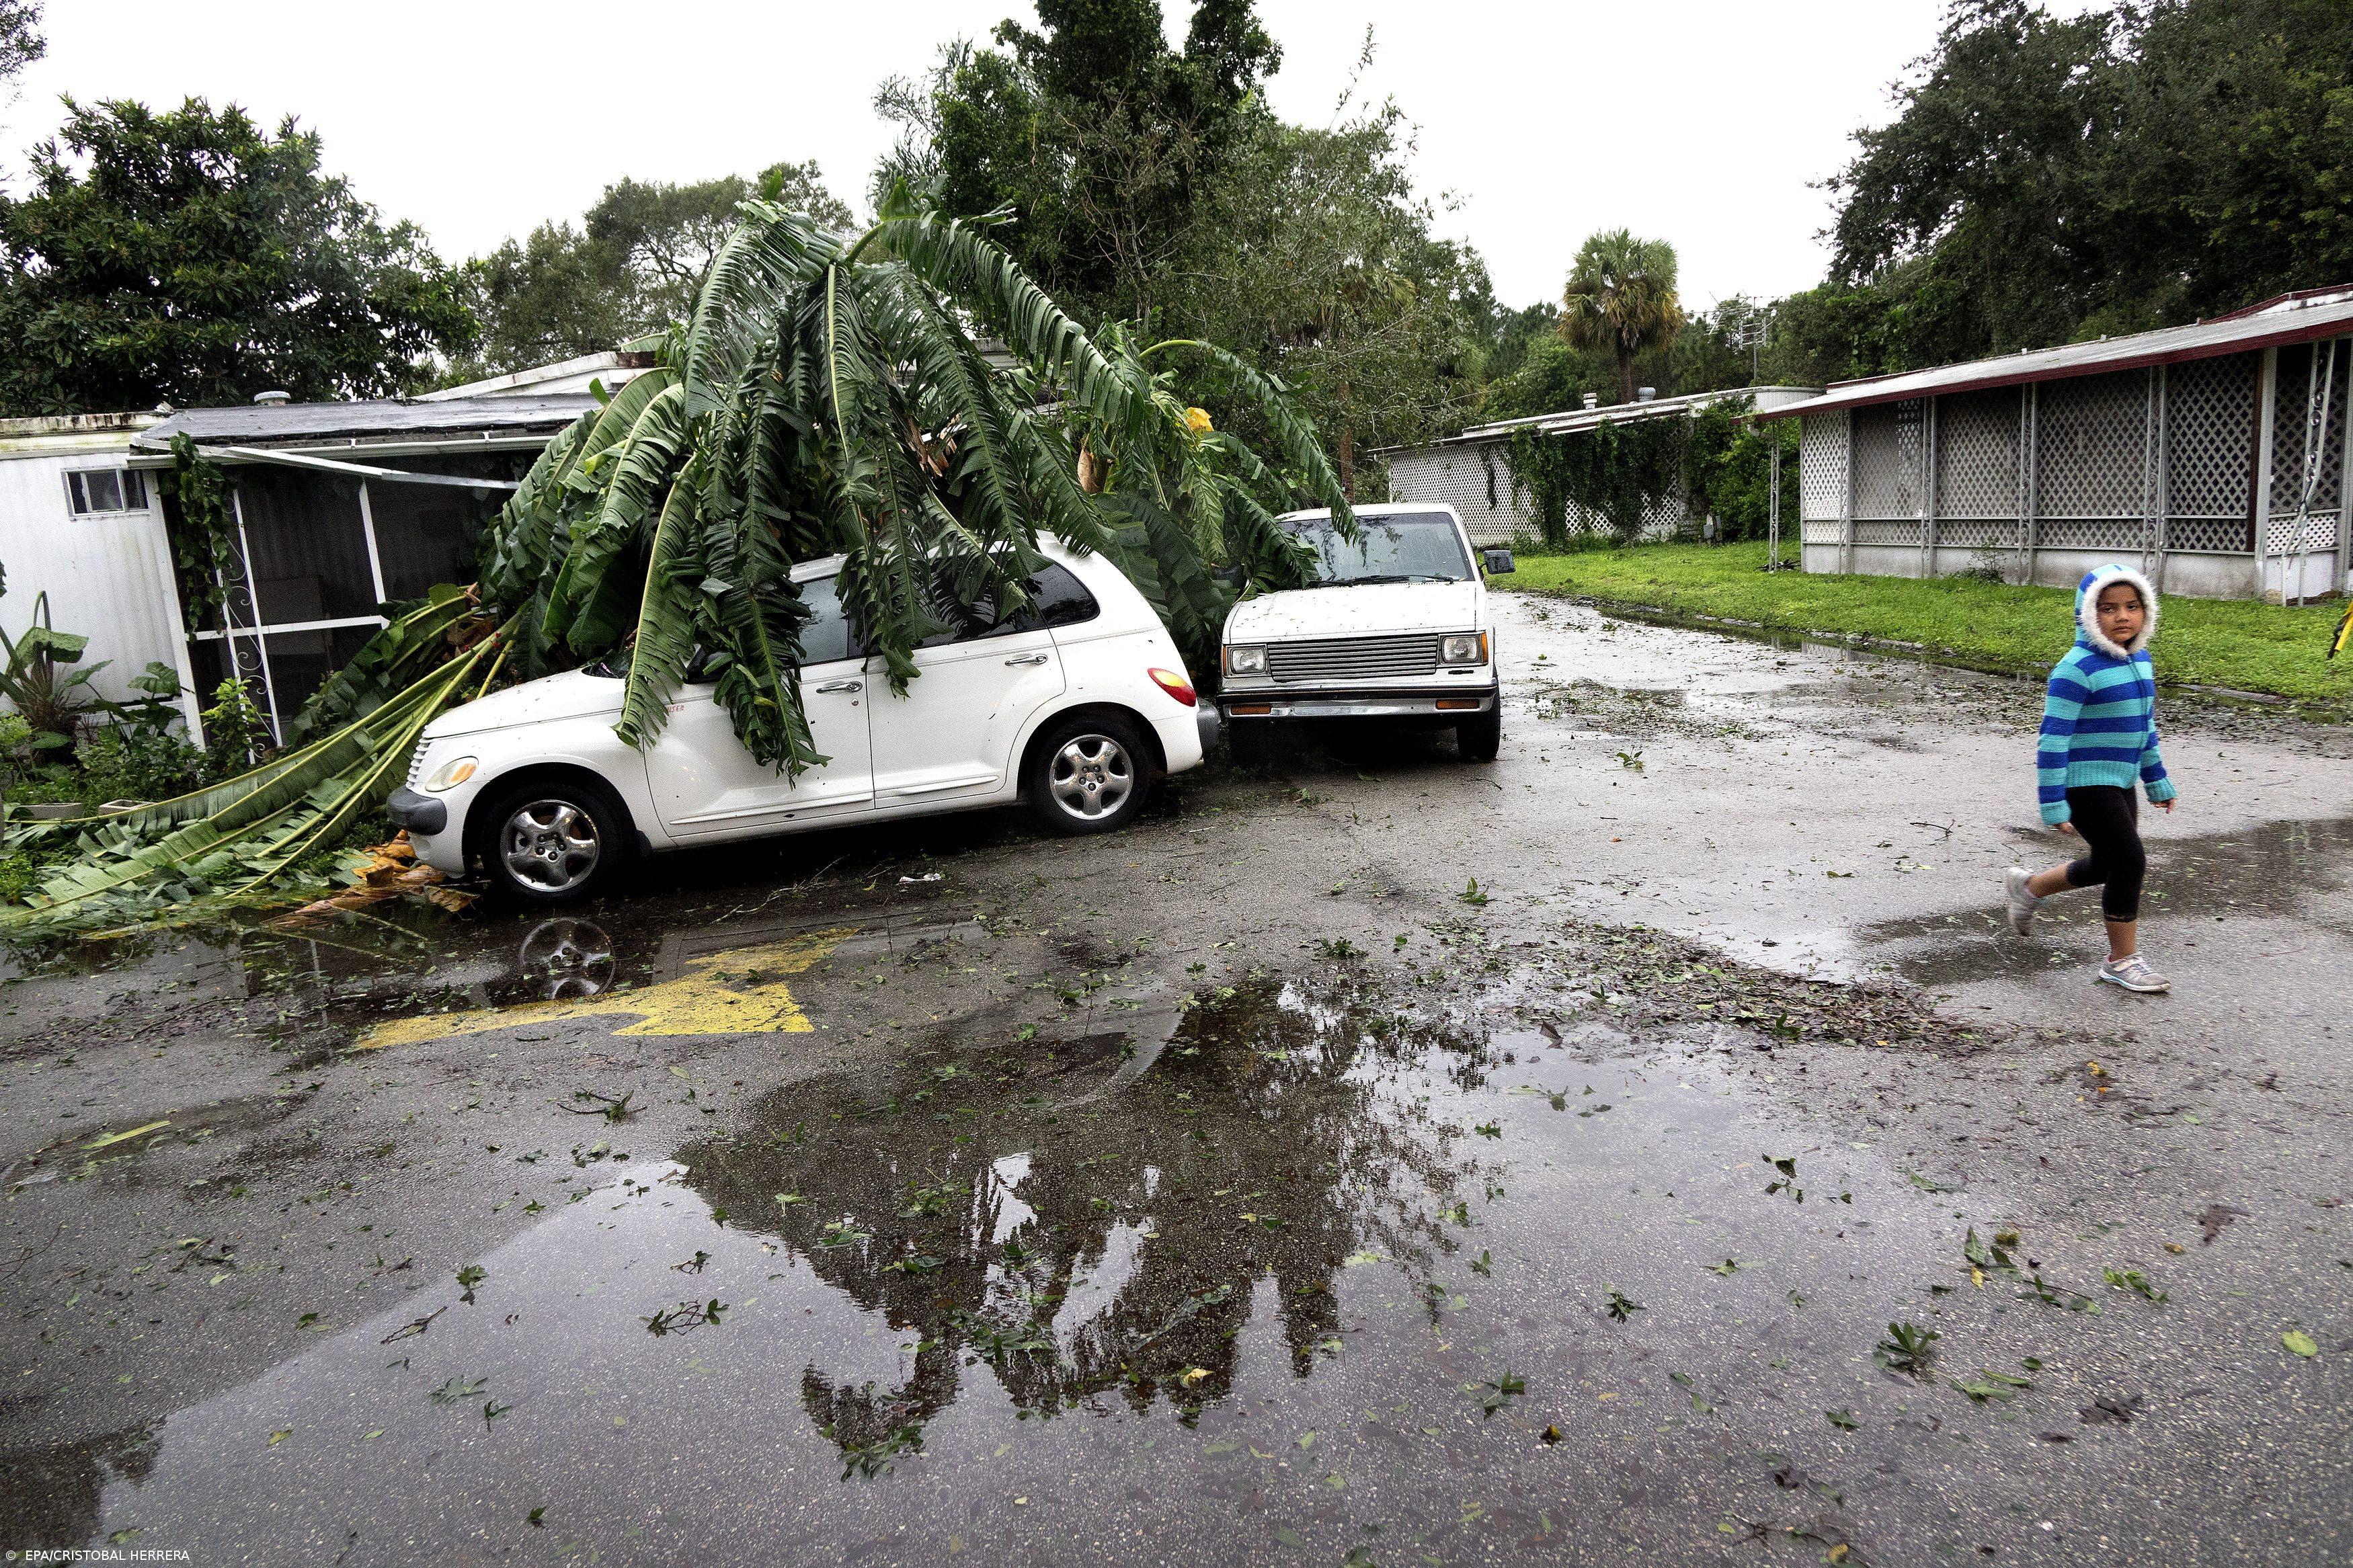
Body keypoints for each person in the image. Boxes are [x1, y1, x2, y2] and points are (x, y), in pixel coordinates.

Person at [2003, 565, 2178, 992]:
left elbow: (2145, 728)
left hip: (2121, 781)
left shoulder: (2140, 661)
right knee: (2130, 860)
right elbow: (2053, 739)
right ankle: (2121, 961)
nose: (2122, 616)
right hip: (2083, 784)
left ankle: (2030, 888)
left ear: (2147, 610)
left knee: (2107, 863)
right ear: (2087, 615)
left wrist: (2156, 779)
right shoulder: (2075, 669)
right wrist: (2052, 802)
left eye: (2132, 606)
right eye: (2108, 608)